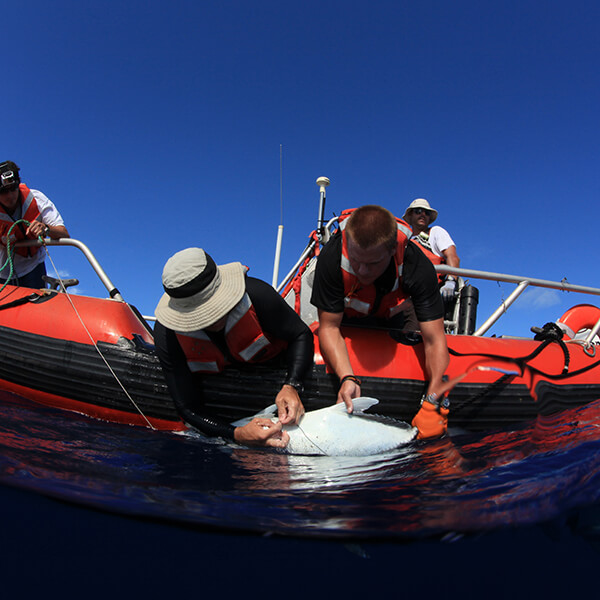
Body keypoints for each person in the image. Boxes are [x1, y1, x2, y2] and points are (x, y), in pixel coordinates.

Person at [310, 204, 450, 439]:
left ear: (392, 250)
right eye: (356, 260)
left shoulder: (416, 265)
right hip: (348, 322)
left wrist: (433, 402)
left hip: (392, 320)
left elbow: (436, 340)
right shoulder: (331, 257)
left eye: (373, 263)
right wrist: (347, 377)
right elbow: (330, 327)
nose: (362, 271)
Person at [154, 247, 314, 448]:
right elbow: (187, 408)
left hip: (276, 367)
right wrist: (236, 434)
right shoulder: (166, 334)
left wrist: (292, 385)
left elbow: (301, 335)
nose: (213, 318)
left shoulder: (258, 294)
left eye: (215, 307)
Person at [0, 161, 69, 288]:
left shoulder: (37, 198)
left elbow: (64, 233)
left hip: (34, 269)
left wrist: (46, 229)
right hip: (3, 274)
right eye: (3, 191)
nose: (10, 196)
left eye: (12, 188)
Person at [403, 198, 460, 304]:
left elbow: (452, 256)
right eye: (418, 211)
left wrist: (451, 281)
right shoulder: (404, 241)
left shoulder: (436, 232)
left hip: (429, 294)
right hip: (406, 294)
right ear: (410, 215)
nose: (423, 214)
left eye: (427, 212)